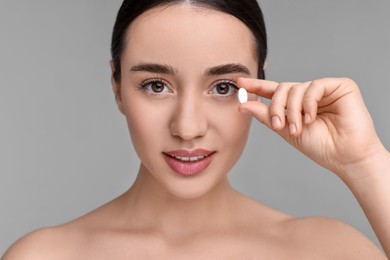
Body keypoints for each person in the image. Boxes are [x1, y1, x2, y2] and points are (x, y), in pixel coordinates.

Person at [2, 0, 390, 259]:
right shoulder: (44, 256)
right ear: (117, 87)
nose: (188, 128)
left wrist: (365, 162)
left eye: (223, 88)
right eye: (156, 85)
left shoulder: (327, 251)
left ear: (261, 81)